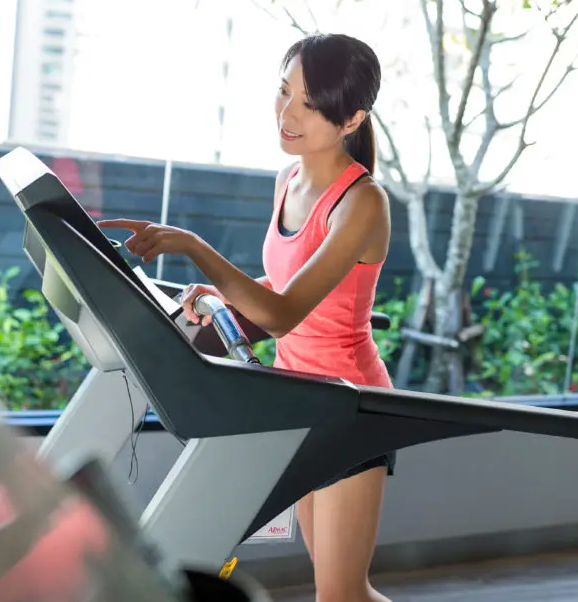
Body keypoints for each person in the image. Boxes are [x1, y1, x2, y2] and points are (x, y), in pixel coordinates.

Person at [97, 32, 394, 602]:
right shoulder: (290, 180)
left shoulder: (363, 203)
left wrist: (193, 245)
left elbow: (282, 315)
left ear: (351, 117)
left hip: (350, 409)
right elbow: (280, 286)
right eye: (284, 91)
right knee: (340, 591)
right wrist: (220, 292)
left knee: (340, 594)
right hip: (297, 400)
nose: (287, 112)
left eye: (308, 103)